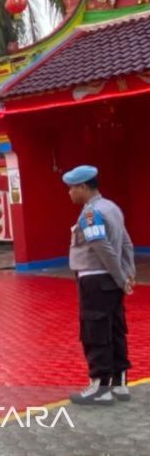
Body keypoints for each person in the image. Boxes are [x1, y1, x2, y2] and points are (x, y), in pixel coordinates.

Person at [64, 165, 135, 405]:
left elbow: (102, 248)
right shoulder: (112, 207)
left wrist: (120, 276)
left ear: (84, 187)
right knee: (115, 329)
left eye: (72, 188)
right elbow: (126, 242)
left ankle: (100, 387)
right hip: (110, 280)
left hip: (96, 280)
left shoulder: (91, 214)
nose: (70, 193)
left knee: (96, 331)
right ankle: (119, 384)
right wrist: (128, 272)